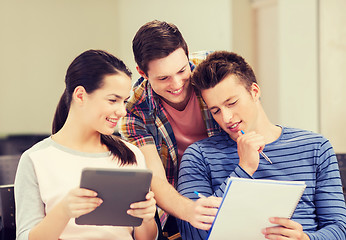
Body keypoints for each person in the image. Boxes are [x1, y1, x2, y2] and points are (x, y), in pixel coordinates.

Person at [177, 51, 346, 240]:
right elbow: (192, 235)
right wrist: (244, 169)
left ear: (254, 92)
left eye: (231, 103)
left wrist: (305, 239)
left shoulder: (316, 147)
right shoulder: (199, 155)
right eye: (215, 111)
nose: (226, 118)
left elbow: (338, 229)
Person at [14, 50, 158, 240]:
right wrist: (64, 211)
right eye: (113, 100)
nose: (122, 111)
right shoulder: (36, 159)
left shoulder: (131, 155)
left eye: (124, 101)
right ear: (80, 95)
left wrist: (147, 218)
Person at [118, 20, 222, 238]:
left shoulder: (215, 69)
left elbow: (249, 115)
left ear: (186, 54)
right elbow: (155, 180)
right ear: (142, 72)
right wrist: (190, 210)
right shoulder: (133, 111)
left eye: (182, 70)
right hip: (178, 198)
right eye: (163, 78)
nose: (176, 84)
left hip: (228, 174)